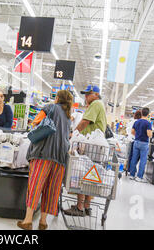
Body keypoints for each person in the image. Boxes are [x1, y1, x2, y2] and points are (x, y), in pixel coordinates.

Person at [17, 90, 73, 230]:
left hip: (43, 154)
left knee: (35, 186)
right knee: (51, 189)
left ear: (58, 98)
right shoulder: (68, 116)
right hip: (60, 158)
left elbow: (36, 122)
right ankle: (43, 222)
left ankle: (28, 221)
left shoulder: (50, 107)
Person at [63, 85, 107, 217]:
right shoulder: (99, 104)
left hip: (90, 146)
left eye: (89, 94)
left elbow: (85, 122)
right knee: (90, 177)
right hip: (95, 147)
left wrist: (73, 135)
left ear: (96, 94)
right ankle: (87, 206)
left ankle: (80, 207)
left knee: (81, 175)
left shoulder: (96, 104)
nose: (86, 96)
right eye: (85, 94)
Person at [129, 107, 153, 182]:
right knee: (143, 160)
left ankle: (132, 175)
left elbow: (132, 132)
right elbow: (149, 134)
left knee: (134, 158)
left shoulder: (136, 122)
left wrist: (138, 134)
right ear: (148, 114)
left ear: (141, 113)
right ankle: (139, 177)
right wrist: (151, 134)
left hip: (136, 142)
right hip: (144, 143)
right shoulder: (148, 123)